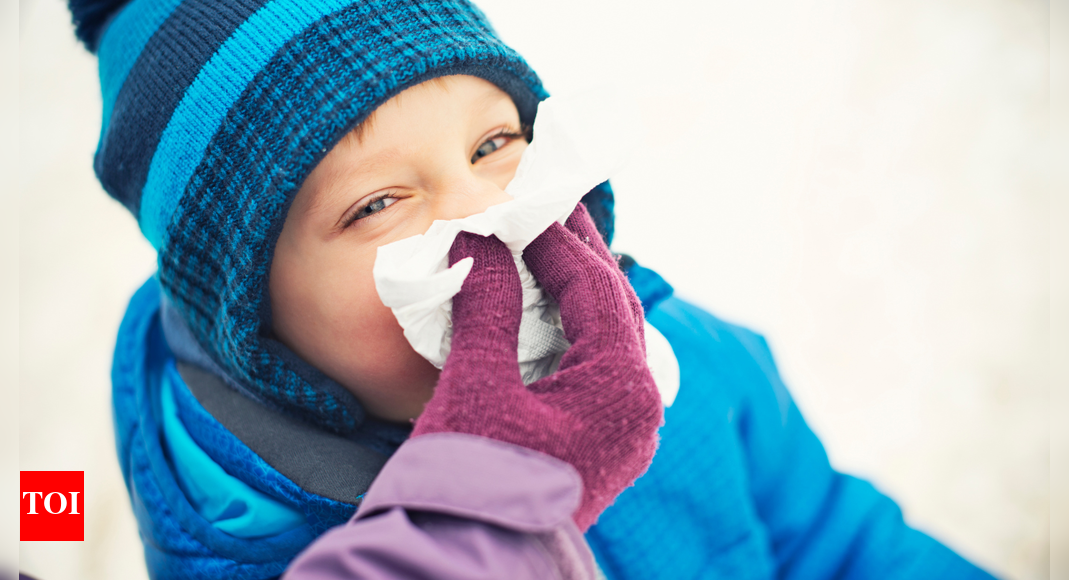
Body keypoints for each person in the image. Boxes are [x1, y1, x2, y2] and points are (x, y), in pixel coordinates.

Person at [70, 0, 997, 578]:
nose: (494, 222)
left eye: (493, 145)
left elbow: (833, 542)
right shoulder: (261, 548)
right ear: (252, 325)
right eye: (380, 203)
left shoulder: (687, 368)